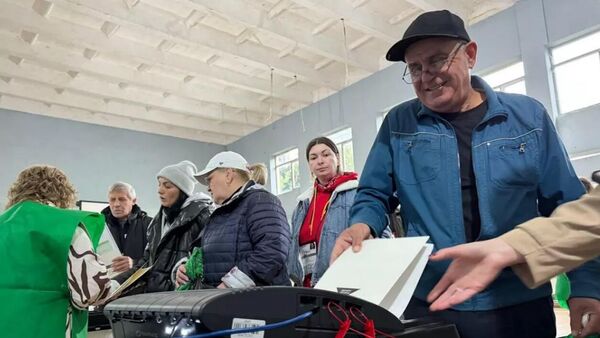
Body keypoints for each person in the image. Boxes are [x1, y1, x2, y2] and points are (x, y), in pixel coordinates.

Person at [329, 9, 599, 338]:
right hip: (432, 302)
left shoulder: (528, 117)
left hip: (519, 301)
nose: (426, 76)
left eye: (437, 60)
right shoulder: (399, 126)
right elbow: (374, 193)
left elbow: (567, 204)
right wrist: (363, 223)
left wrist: (586, 287)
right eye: (415, 68)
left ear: (470, 54)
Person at [428, 184, 600, 337]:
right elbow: (590, 215)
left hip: (524, 300)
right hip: (432, 300)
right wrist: (511, 246)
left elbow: (573, 205)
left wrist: (585, 286)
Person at [0, 165, 114, 338]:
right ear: (63, 192)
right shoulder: (66, 227)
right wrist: (115, 284)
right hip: (49, 326)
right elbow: (90, 292)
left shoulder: (3, 224)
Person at [176, 151, 291, 288]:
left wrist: (231, 284)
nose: (208, 187)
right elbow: (202, 254)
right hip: (227, 303)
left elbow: (272, 250)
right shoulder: (219, 215)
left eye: (210, 179)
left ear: (228, 175)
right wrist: (186, 268)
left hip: (258, 304)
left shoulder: (260, 201)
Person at [115, 161, 213, 293]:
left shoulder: (203, 216)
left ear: (182, 191)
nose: (160, 190)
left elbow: (208, 260)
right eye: (159, 184)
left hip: (183, 301)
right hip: (157, 301)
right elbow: (145, 264)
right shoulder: (156, 223)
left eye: (167, 186)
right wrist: (116, 284)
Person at [286, 137, 360, 287]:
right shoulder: (302, 203)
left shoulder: (357, 193)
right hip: (307, 286)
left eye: (326, 155)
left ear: (337, 158)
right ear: (309, 165)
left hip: (345, 284)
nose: (320, 161)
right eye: (313, 157)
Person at [101, 181, 152, 274]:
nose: (116, 204)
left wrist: (134, 263)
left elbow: (158, 259)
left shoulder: (150, 225)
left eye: (122, 199)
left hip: (139, 284)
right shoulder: (100, 226)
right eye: (112, 199)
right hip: (108, 283)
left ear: (133, 201)